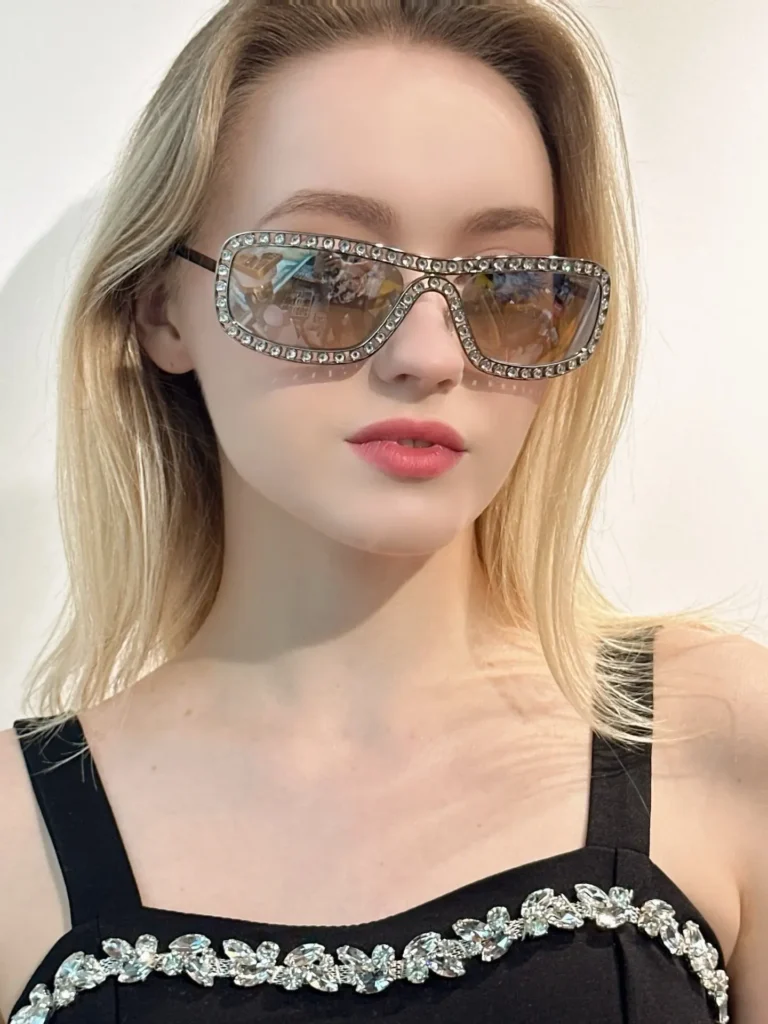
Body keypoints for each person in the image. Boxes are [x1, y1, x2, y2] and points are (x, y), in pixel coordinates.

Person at [0, 1, 766, 1022]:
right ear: (160, 309)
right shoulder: (15, 837)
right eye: (322, 274)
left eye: (509, 287)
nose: (430, 356)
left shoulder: (720, 735)